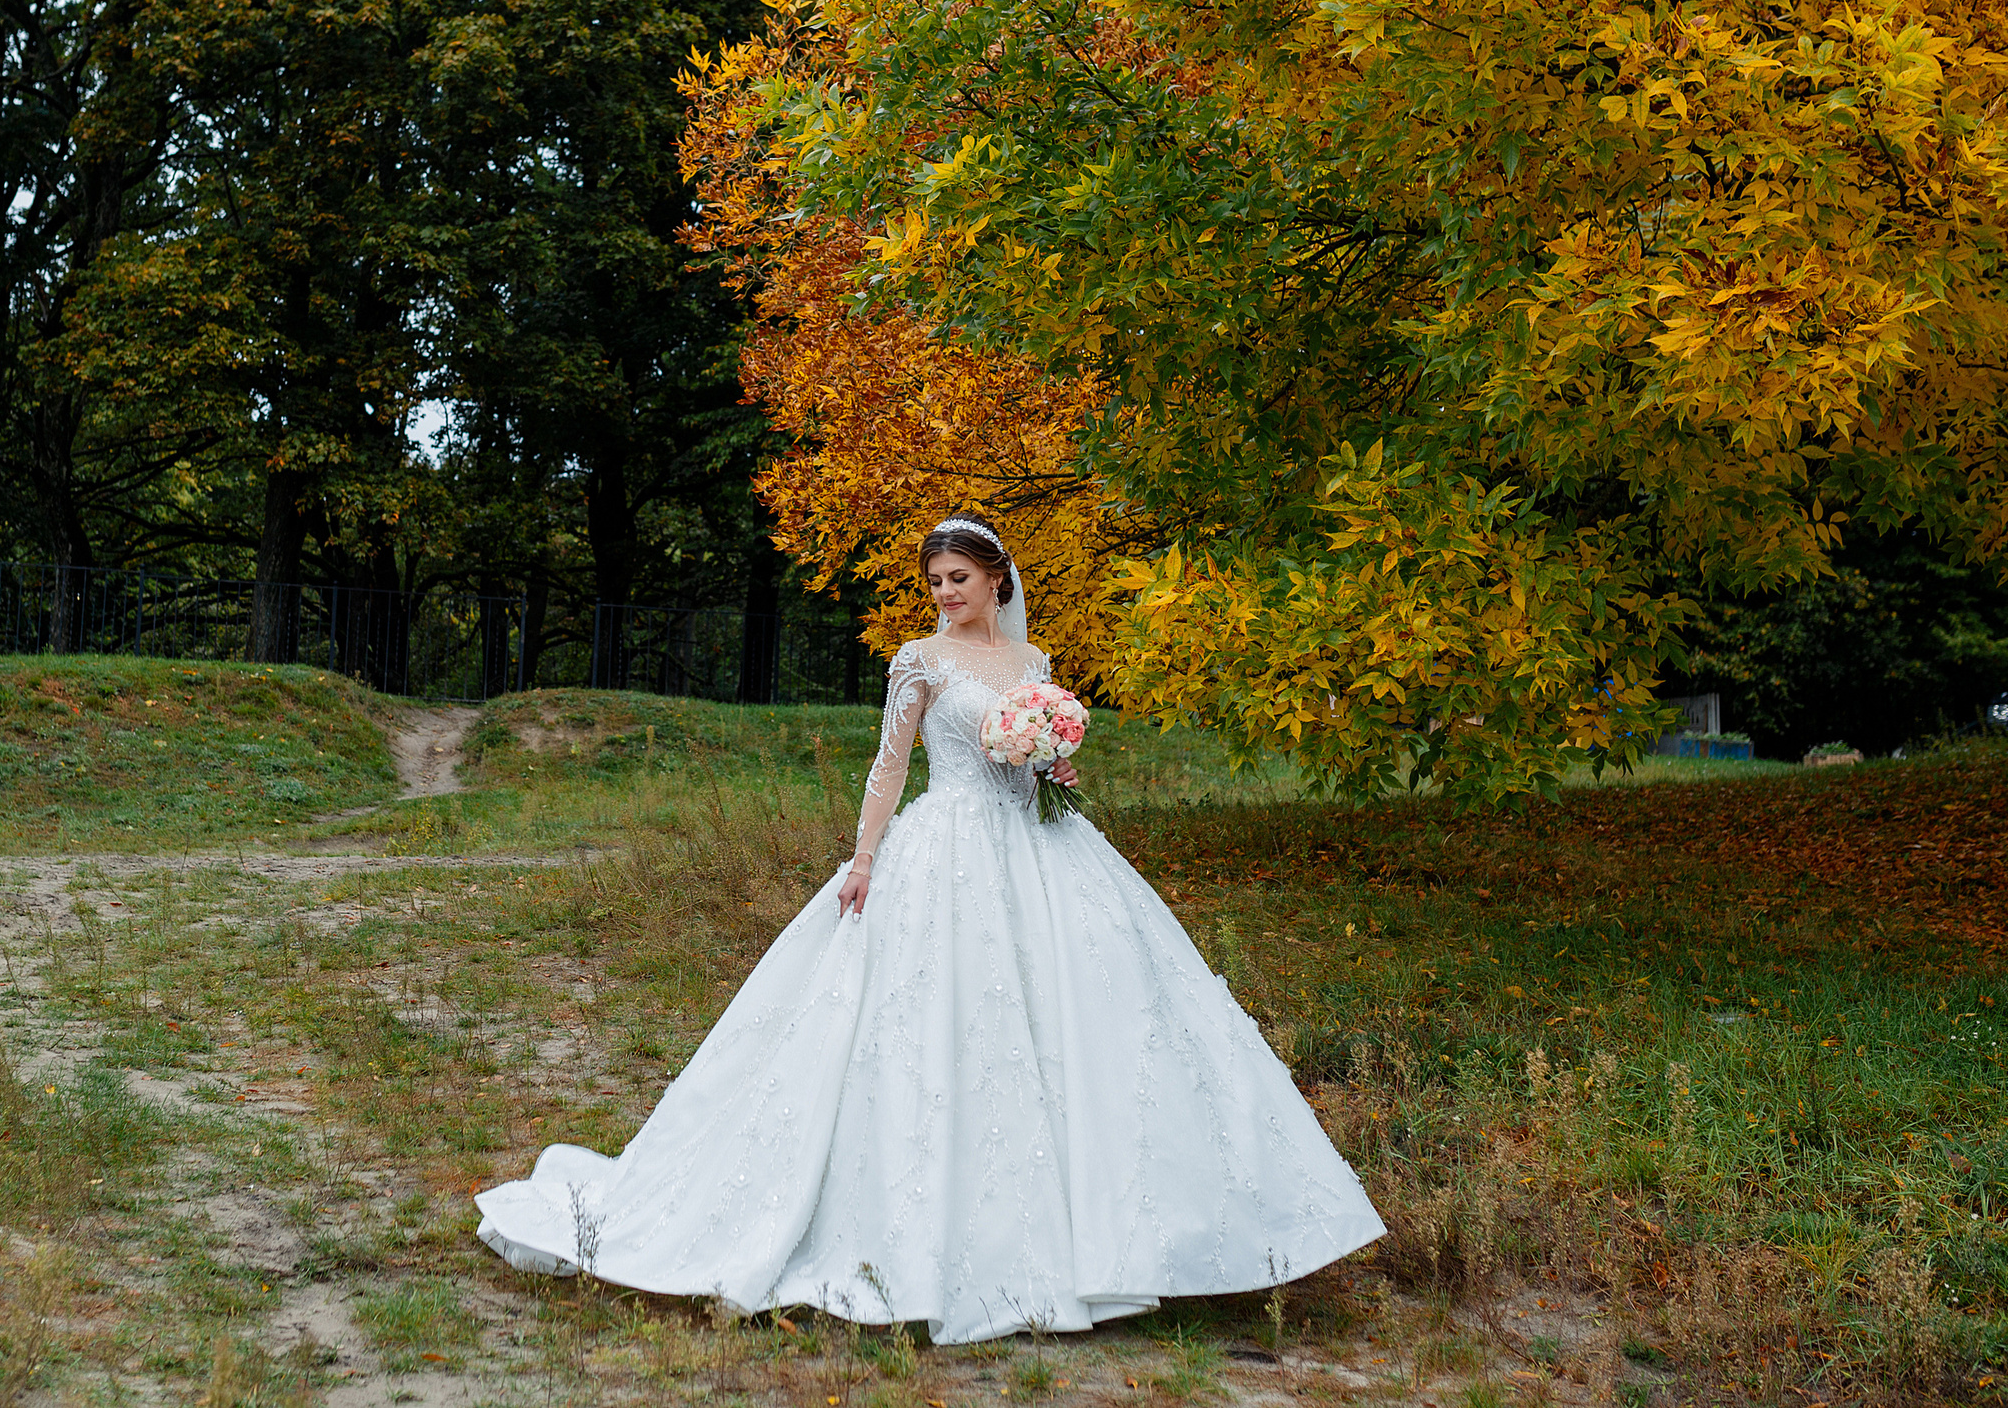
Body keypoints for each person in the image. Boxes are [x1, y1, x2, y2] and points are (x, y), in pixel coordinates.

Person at [475, 515, 1384, 1343]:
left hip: (1042, 855)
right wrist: (863, 859)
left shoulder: (1034, 670)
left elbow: (1037, 767)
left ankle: (1124, 1240)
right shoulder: (920, 659)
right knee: (937, 1028)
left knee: (1097, 1023)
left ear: (998, 580)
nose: (945, 593)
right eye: (936, 580)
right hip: (944, 848)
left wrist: (1050, 763)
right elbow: (889, 765)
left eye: (959, 578)